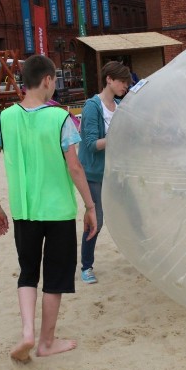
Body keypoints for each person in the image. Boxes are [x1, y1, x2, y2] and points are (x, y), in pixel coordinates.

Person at [0, 54, 97, 362]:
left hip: (23, 212)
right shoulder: (60, 118)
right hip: (57, 213)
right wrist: (90, 205)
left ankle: (27, 333)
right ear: (47, 80)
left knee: (28, 273)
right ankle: (46, 342)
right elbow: (74, 167)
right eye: (54, 80)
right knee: (56, 277)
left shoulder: (5, 117)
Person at [78, 61, 132, 283]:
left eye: (127, 83)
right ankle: (86, 266)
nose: (125, 86)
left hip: (117, 172)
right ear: (108, 79)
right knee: (96, 220)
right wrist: (116, 138)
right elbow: (90, 144)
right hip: (94, 173)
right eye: (121, 81)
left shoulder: (120, 106)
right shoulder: (93, 106)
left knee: (134, 214)